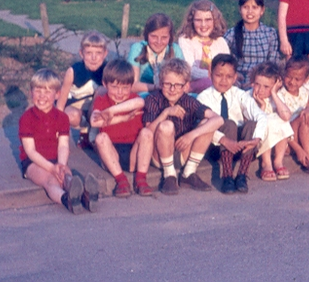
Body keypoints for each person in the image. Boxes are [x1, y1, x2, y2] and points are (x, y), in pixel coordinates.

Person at [19, 68, 99, 214]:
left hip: (56, 159)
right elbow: (30, 151)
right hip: (33, 162)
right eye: (38, 91)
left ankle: (85, 196)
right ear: (31, 93)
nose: (42, 96)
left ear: (57, 95)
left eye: (47, 92)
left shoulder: (62, 118)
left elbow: (63, 145)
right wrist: (51, 168)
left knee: (66, 177)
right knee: (50, 181)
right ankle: (66, 199)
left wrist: (61, 165)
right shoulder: (27, 118)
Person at [143, 58, 224, 195]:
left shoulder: (189, 101)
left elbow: (218, 119)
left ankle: (188, 173)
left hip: (182, 152)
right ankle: (169, 175)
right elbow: (148, 132)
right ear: (161, 84)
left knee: (206, 124)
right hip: (159, 154)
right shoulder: (153, 100)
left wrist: (191, 135)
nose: (172, 89)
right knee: (166, 125)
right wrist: (165, 113)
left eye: (178, 85)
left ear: (186, 86)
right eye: (168, 84)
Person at [197, 54, 268, 194]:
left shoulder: (240, 95)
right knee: (228, 123)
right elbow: (200, 125)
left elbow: (261, 116)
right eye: (219, 75)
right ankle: (227, 176)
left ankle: (242, 175)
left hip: (241, 148)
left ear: (235, 77)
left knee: (252, 124)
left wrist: (256, 140)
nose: (224, 80)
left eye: (229, 77)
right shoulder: (203, 97)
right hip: (216, 148)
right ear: (210, 74)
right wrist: (223, 139)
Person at [90, 59, 154, 198]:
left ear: (131, 86)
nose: (120, 92)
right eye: (114, 87)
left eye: (125, 88)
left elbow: (140, 102)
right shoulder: (101, 100)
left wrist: (111, 111)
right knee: (100, 138)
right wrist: (122, 118)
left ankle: (141, 179)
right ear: (104, 84)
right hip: (112, 153)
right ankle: (121, 180)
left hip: (134, 151)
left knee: (147, 133)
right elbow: (95, 122)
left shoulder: (133, 98)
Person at [57, 31, 108, 149]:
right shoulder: (73, 71)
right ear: (81, 53)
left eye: (98, 53)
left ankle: (95, 132)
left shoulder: (108, 69)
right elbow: (61, 100)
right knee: (71, 115)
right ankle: (85, 131)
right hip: (76, 105)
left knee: (102, 90)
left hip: (97, 107)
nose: (94, 58)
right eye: (89, 53)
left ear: (105, 54)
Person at [249, 61, 294, 181]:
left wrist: (274, 93)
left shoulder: (277, 96)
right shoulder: (249, 97)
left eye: (266, 87)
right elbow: (252, 122)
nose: (260, 90)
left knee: (280, 119)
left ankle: (278, 161)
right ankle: (266, 163)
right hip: (255, 138)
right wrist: (262, 106)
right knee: (267, 119)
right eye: (257, 84)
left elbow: (286, 117)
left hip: (274, 138)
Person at [224, 0, 280, 87]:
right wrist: (234, 75)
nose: (250, 11)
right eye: (245, 7)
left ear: (262, 10)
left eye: (254, 7)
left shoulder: (270, 34)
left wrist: (257, 81)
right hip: (238, 80)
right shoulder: (231, 34)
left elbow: (272, 63)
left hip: (261, 80)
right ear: (240, 9)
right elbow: (222, 58)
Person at [177, 0, 230, 93]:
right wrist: (214, 75)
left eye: (208, 20)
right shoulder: (186, 40)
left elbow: (228, 67)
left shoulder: (220, 41)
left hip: (219, 81)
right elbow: (190, 71)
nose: (203, 25)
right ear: (191, 21)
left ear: (215, 20)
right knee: (209, 83)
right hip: (193, 85)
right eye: (198, 20)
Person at [127, 13, 184, 94]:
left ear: (170, 37)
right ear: (147, 35)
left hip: (171, 93)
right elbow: (132, 85)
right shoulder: (137, 49)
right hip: (144, 93)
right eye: (154, 37)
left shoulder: (175, 49)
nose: (159, 42)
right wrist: (156, 87)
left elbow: (184, 82)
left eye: (164, 37)